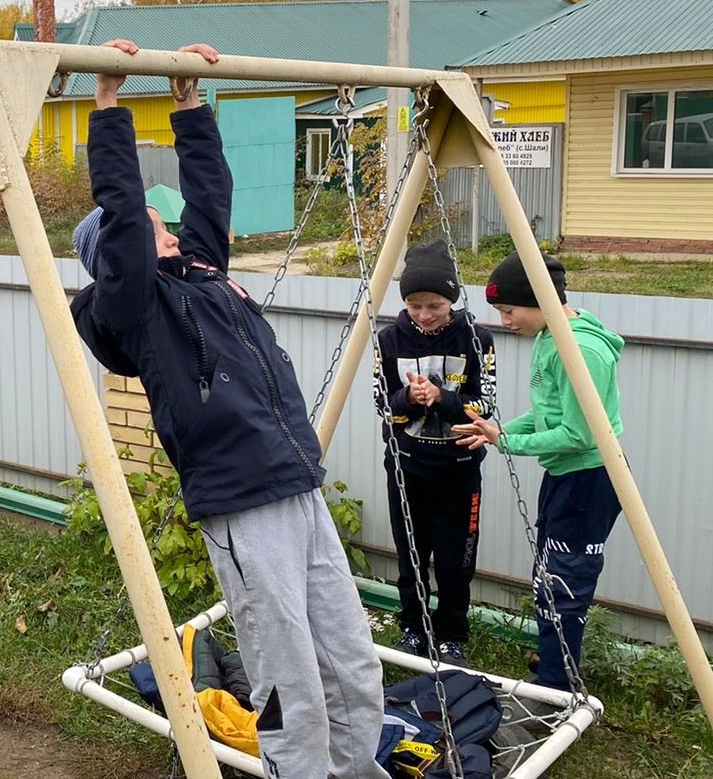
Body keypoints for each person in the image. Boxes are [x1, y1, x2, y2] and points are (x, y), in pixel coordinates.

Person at [70, 39, 389, 779]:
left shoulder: (202, 271)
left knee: (352, 665)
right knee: (290, 679)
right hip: (242, 503)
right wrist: (109, 104)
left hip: (296, 482)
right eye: (156, 223)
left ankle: (357, 772)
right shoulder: (134, 305)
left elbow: (210, 193)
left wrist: (187, 101)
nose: (170, 225)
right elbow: (119, 213)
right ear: (117, 255)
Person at [453, 252, 625, 692]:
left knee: (566, 581)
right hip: (565, 477)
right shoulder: (551, 339)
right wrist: (498, 429)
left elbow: (578, 434)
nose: (506, 321)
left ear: (539, 300)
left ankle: (558, 687)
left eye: (509, 311)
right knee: (548, 574)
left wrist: (505, 442)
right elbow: (546, 413)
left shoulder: (580, 350)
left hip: (589, 480)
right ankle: (552, 666)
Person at [373, 239, 496, 667]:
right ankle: (413, 628)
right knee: (410, 554)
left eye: (435, 305)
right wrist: (408, 397)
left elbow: (486, 406)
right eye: (414, 305)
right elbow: (383, 406)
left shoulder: (477, 338)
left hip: (459, 471)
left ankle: (451, 635)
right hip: (407, 468)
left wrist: (443, 399)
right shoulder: (388, 339)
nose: (423, 315)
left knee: (455, 560)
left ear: (452, 299)